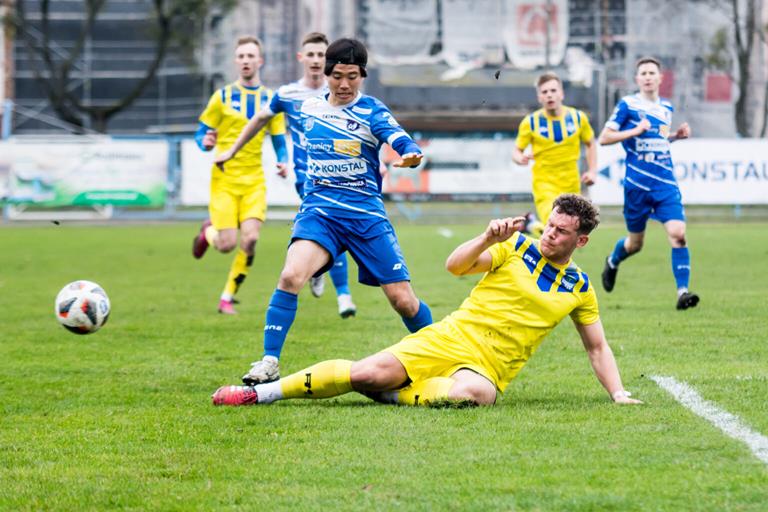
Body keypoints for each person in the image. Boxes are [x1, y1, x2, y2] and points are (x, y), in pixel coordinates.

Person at [212, 194, 642, 408]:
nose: (550, 235)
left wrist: (618, 393)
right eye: (549, 226)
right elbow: (455, 266)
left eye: (561, 232)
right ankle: (260, 394)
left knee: (476, 395)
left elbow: (597, 347)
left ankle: (391, 395)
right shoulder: (515, 247)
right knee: (365, 372)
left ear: (580, 241)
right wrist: (487, 238)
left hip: (487, 368)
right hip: (450, 337)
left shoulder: (579, 287)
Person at [214, 38, 433, 384]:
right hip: (320, 213)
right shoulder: (306, 106)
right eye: (337, 76)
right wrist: (230, 151)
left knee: (402, 301)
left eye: (352, 77)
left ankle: (441, 354)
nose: (344, 84)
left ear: (362, 76)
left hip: (364, 217)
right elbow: (262, 118)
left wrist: (410, 154)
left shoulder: (372, 110)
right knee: (290, 277)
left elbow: (399, 138)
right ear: (327, 74)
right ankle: (269, 362)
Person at [191, 35, 288, 315]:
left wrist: (283, 161)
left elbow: (279, 139)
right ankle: (208, 232)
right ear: (236, 61)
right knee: (226, 245)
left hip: (254, 181)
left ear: (260, 61)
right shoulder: (221, 97)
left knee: (251, 239)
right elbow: (201, 133)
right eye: (241, 56)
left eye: (250, 56)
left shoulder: (271, 100)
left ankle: (227, 297)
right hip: (224, 180)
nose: (246, 61)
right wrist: (205, 142)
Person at [263, 32, 356, 318]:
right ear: (301, 58)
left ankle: (322, 274)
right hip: (307, 179)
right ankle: (343, 295)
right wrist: (281, 159)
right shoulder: (288, 94)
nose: (316, 60)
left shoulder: (338, 93)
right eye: (311, 55)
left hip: (339, 175)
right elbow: (266, 122)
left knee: (333, 231)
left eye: (321, 55)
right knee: (334, 228)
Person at [598, 57, 699, 310]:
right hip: (637, 186)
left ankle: (682, 293)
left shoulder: (666, 107)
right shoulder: (627, 105)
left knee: (678, 234)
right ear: (637, 79)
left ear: (660, 78)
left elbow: (659, 139)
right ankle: (612, 261)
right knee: (635, 244)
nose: (647, 77)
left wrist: (675, 136)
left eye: (652, 72)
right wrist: (634, 131)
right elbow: (605, 138)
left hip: (665, 183)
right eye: (643, 73)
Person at [512, 72, 598, 236]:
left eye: (553, 90)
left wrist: (592, 170)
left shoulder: (578, 118)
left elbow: (590, 143)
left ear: (561, 93)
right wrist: (520, 158)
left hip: (571, 184)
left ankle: (530, 224)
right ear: (539, 97)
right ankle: (532, 226)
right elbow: (516, 151)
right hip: (545, 185)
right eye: (544, 92)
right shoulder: (531, 122)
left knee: (571, 232)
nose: (549, 95)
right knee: (554, 227)